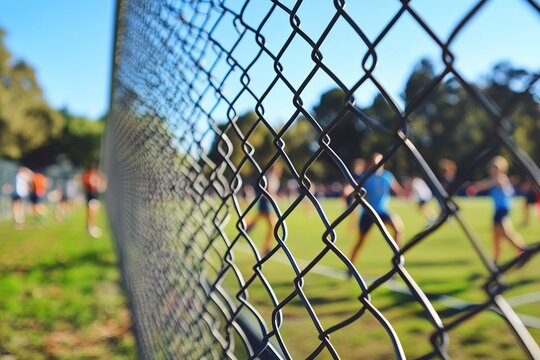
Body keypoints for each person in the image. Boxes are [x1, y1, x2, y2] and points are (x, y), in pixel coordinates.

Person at [349, 153, 407, 264]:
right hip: (368, 213)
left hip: (382, 211)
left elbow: (398, 190)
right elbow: (355, 191)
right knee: (360, 242)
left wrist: (407, 194)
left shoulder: (387, 176)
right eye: (375, 163)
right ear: (371, 164)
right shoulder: (365, 177)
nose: (377, 165)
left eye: (379, 163)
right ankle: (350, 265)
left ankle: (397, 259)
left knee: (398, 229)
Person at [467, 156, 525, 264]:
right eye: (492, 167)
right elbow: (488, 182)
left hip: (502, 209)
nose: (493, 169)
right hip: (499, 210)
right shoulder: (497, 178)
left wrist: (476, 187)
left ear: (501, 168)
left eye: (496, 167)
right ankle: (495, 260)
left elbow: (488, 183)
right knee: (496, 236)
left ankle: (523, 250)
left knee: (506, 234)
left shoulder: (500, 178)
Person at [245, 164, 282, 256]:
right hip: (266, 202)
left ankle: (246, 225)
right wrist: (275, 197)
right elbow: (269, 191)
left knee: (260, 220)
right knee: (272, 225)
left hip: (267, 202)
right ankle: (266, 247)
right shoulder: (270, 177)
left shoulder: (273, 178)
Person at [82, 163, 104, 238]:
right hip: (91, 195)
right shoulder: (88, 175)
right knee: (91, 212)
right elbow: (89, 185)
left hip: (95, 195)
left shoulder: (97, 176)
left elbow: (101, 186)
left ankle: (92, 226)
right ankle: (90, 227)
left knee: (94, 212)